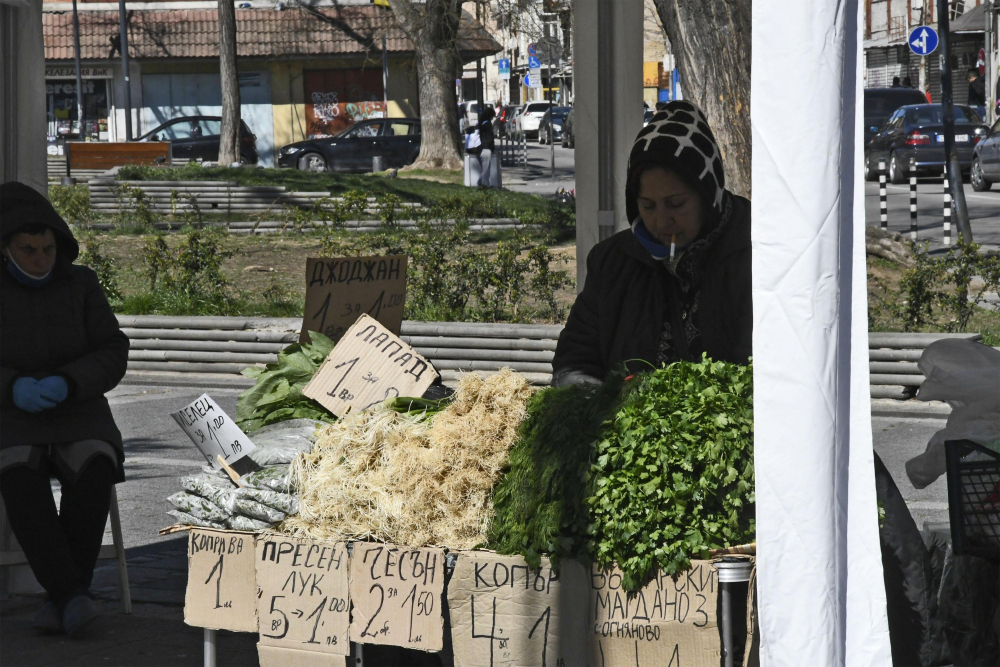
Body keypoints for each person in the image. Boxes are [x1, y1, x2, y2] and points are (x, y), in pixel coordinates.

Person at [0, 182, 129, 637]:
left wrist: (70, 381)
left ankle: (64, 597)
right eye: (28, 249)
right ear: (6, 248)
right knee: (19, 476)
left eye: (48, 248)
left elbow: (113, 350)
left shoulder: (82, 283)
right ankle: (73, 595)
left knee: (96, 466)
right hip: (11, 414)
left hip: (77, 406)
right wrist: (11, 386)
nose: (41, 258)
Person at [552, 101, 751, 386]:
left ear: (708, 196)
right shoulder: (611, 263)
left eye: (676, 204)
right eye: (647, 206)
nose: (661, 222)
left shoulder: (755, 256)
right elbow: (576, 356)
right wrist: (591, 401)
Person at [465, 106, 496, 188]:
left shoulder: (480, 123)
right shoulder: (487, 124)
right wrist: (490, 147)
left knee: (483, 168)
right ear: (490, 116)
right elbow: (489, 137)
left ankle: (481, 183)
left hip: (478, 148)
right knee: (486, 169)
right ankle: (483, 183)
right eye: (492, 116)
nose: (492, 118)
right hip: (485, 149)